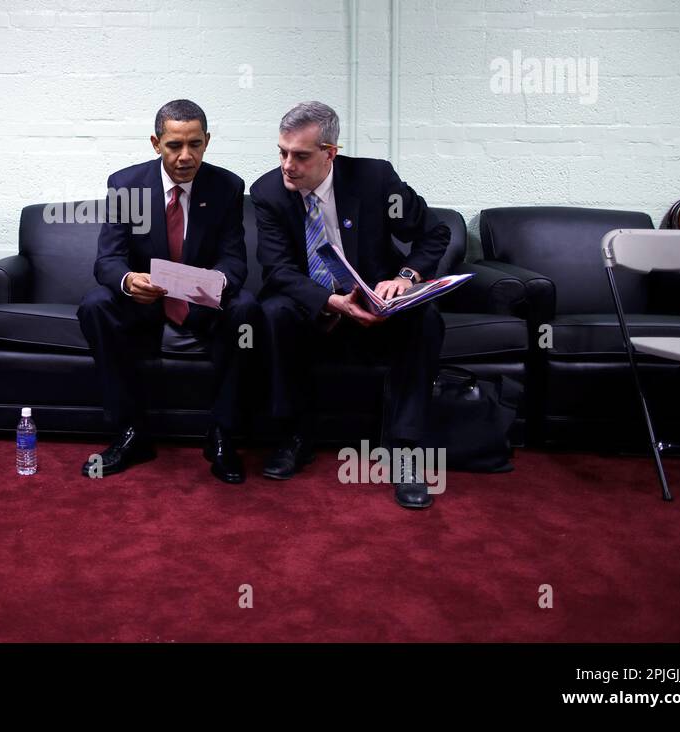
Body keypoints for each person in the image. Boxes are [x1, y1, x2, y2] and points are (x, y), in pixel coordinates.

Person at [250, 101, 449, 509]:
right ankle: (295, 436)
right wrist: (331, 301)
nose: (288, 165)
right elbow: (278, 269)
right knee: (272, 311)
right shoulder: (268, 192)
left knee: (425, 318)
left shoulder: (375, 179)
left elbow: (434, 233)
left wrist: (405, 278)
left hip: (378, 306)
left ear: (330, 153)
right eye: (282, 152)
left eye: (301, 155)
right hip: (314, 307)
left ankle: (405, 451)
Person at [78, 100, 259, 484]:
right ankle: (131, 432)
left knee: (246, 309)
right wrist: (129, 281)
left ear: (207, 142)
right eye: (174, 145)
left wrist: (216, 283)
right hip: (146, 301)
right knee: (95, 305)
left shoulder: (227, 187)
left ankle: (223, 434)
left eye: (195, 144)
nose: (185, 156)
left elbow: (235, 261)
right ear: (155, 143)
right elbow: (107, 260)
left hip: (201, 302)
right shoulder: (126, 185)